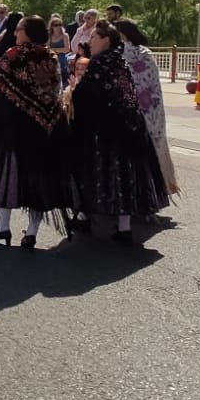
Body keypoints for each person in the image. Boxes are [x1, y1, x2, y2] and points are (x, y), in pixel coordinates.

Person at [68, 20, 169, 242]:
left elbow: (84, 97)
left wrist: (72, 94)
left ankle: (85, 216)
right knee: (126, 175)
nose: (90, 41)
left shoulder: (100, 64)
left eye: (94, 37)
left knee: (96, 172)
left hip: (106, 130)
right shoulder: (120, 62)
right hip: (130, 127)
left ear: (106, 40)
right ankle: (124, 228)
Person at [0, 16, 72, 250]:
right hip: (49, 125)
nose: (16, 34)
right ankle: (31, 233)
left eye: (19, 30)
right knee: (39, 179)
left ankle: (3, 227)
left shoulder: (14, 55)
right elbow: (56, 89)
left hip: (17, 127)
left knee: (9, 176)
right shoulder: (50, 56)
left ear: (27, 33)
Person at [115, 19, 179, 196]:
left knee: (133, 153)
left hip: (133, 110)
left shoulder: (121, 53)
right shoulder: (146, 53)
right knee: (154, 149)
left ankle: (136, 193)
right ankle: (160, 187)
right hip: (153, 110)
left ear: (122, 34)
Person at [48, 15, 71, 85]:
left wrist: (54, 49)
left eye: (60, 24)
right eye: (56, 25)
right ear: (52, 26)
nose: (58, 27)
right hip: (51, 59)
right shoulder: (49, 36)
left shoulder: (65, 36)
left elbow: (67, 49)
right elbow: (47, 48)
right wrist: (58, 50)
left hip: (61, 59)